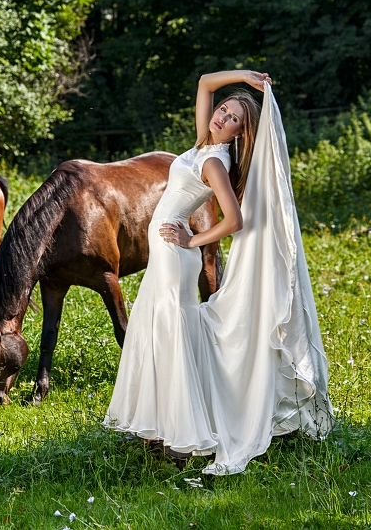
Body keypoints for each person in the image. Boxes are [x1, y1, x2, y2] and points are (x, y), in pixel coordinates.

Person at [102, 70, 334, 475]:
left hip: (175, 255)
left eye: (232, 119)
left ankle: (182, 436)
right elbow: (205, 82)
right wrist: (245, 78)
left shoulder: (213, 160)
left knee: (171, 334)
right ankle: (162, 425)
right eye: (223, 110)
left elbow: (235, 219)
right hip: (167, 253)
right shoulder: (203, 144)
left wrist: (193, 240)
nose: (221, 117)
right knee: (161, 333)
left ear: (240, 133)